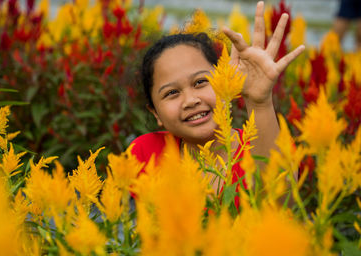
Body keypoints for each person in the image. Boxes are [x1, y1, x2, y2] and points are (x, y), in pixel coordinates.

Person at [130, 1, 305, 194]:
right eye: (171, 93)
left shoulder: (270, 144)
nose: (191, 100)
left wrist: (259, 102)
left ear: (224, 81)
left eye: (200, 82)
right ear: (155, 113)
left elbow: (281, 203)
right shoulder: (146, 154)